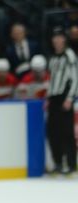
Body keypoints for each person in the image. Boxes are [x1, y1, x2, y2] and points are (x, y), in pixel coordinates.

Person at [46, 30, 78, 175]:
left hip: (64, 97)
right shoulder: (52, 58)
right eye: (55, 37)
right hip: (53, 97)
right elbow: (51, 79)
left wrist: (70, 98)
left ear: (64, 40)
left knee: (66, 132)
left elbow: (75, 78)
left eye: (59, 37)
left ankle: (71, 164)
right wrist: (48, 97)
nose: (56, 40)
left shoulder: (69, 56)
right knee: (53, 131)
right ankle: (58, 162)